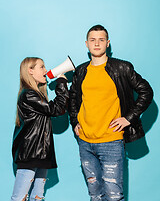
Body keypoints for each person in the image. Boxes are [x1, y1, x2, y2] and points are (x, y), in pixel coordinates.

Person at [69, 25, 153, 201]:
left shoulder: (122, 68)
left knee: (114, 196)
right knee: (95, 195)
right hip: (85, 142)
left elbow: (146, 91)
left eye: (101, 40)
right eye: (93, 40)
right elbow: (73, 99)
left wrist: (128, 118)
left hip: (111, 142)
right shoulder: (81, 71)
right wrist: (74, 122)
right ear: (86, 44)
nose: (97, 43)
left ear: (108, 43)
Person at [11, 57, 69, 201]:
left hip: (41, 153)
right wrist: (61, 83)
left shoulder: (36, 95)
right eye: (41, 67)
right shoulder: (29, 94)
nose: (45, 70)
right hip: (30, 153)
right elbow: (56, 109)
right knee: (19, 198)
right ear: (30, 71)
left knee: (38, 197)